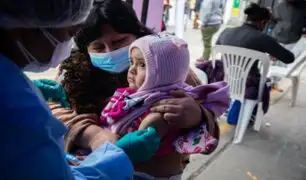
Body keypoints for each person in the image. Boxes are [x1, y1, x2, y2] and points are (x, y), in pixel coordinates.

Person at [35, 0, 222, 178]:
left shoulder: (171, 70)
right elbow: (53, 110)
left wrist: (197, 116)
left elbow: (209, 135)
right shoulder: (72, 73)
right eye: (98, 47)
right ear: (85, 50)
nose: (110, 52)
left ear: (138, 34)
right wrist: (93, 135)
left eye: (119, 42)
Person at [0, 0, 135, 179]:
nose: (109, 52)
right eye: (69, 33)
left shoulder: (12, 86)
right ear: (23, 28)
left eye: (119, 41)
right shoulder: (14, 104)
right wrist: (95, 138)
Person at [99, 33, 229, 178]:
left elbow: (140, 147)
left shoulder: (165, 108)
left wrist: (199, 116)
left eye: (142, 64)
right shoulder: (140, 94)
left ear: (163, 72)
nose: (131, 69)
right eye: (132, 62)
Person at [198, 3, 295, 124]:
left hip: (222, 79)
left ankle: (234, 109)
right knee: (265, 84)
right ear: (263, 23)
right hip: (247, 85)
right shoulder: (263, 38)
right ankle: (247, 115)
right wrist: (268, 51)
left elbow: (216, 48)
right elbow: (289, 58)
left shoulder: (227, 31)